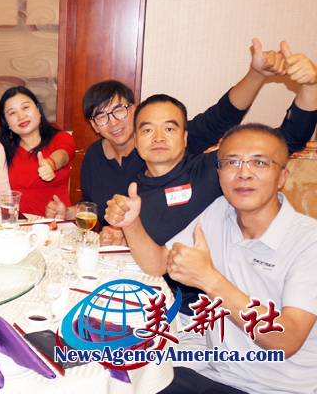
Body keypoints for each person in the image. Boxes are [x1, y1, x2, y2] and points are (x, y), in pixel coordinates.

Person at [104, 43, 317, 314]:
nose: (158, 137)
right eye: (147, 130)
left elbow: (286, 140)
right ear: (135, 141)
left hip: (227, 310)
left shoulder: (216, 170)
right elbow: (154, 259)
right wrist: (121, 232)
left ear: (185, 137)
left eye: (169, 128)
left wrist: (310, 87)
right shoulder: (135, 191)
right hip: (164, 305)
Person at [149, 125, 315, 394]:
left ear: (282, 176)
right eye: (232, 162)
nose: (244, 173)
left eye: (259, 162)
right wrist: (130, 225)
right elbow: (160, 261)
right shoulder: (220, 211)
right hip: (220, 374)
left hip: (278, 388)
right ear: (219, 173)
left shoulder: (309, 241)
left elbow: (286, 340)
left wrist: (209, 279)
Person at [71, 39, 294, 226]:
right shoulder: (93, 155)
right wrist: (71, 212)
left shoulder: (166, 142)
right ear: (94, 125)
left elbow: (221, 117)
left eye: (119, 110)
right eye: (101, 116)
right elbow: (91, 202)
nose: (113, 122)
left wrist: (256, 75)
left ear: (134, 110)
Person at [0, 86, 75, 217]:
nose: (21, 116)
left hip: (57, 222)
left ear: (38, 109)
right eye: (12, 113)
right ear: (6, 122)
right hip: (18, 224)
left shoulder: (61, 138)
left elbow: (63, 155)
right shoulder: (1, 149)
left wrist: (51, 164)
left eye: (25, 107)